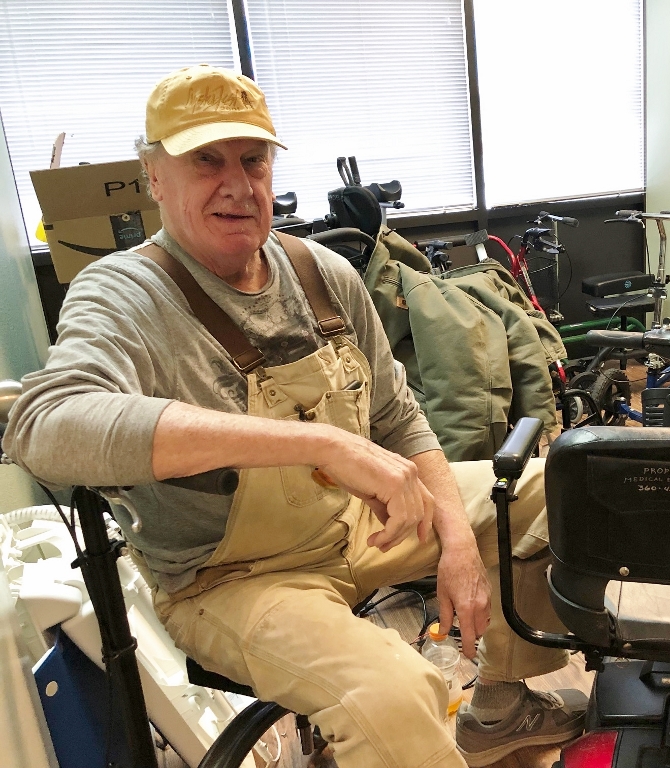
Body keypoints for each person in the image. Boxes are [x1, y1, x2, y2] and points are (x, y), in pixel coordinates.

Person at [3, 65, 585, 768]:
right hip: (235, 577)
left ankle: (497, 707)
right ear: (154, 176)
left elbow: (399, 418)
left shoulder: (322, 274)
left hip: (357, 524)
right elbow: (45, 424)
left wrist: (458, 539)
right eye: (204, 160)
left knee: (563, 488)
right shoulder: (125, 294)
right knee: (396, 697)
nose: (237, 183)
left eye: (253, 160)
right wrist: (315, 442)